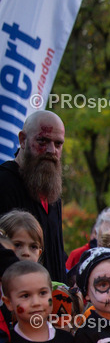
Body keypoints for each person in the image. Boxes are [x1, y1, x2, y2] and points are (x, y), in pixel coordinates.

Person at [0, 111, 67, 283]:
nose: (51, 150)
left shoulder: (52, 193)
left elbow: (55, 254)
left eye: (58, 144)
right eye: (42, 141)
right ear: (22, 140)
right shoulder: (3, 182)